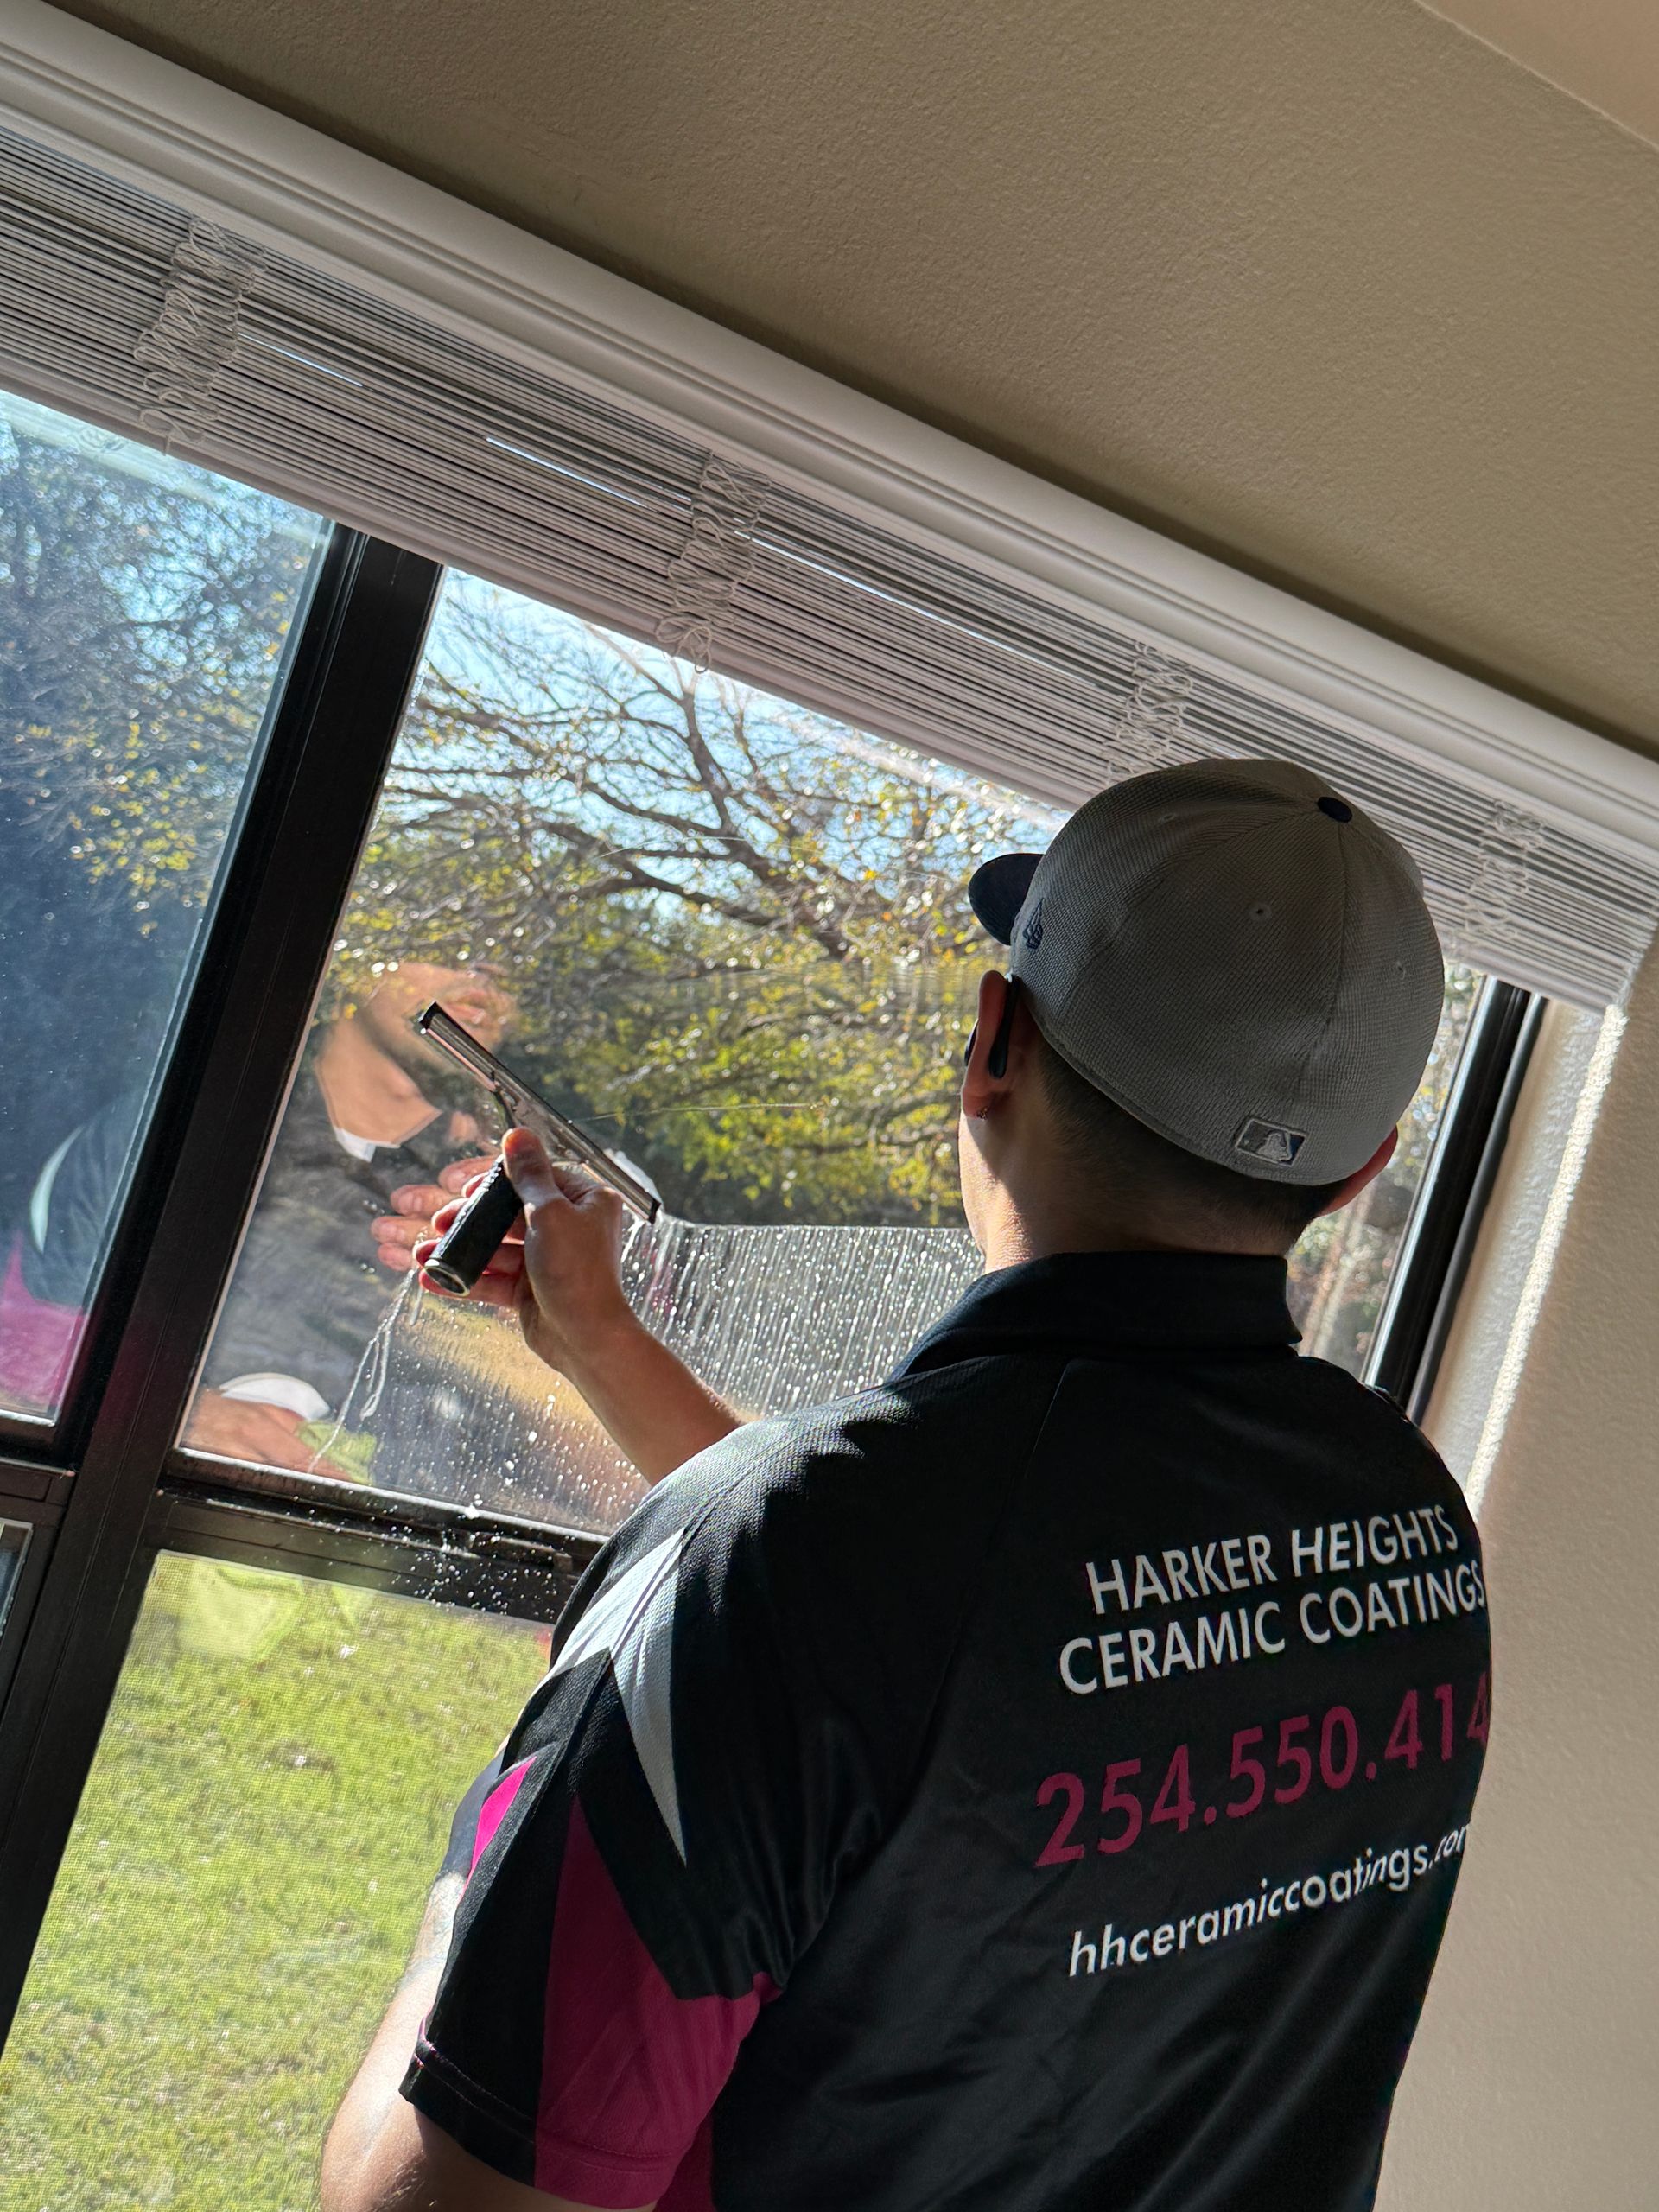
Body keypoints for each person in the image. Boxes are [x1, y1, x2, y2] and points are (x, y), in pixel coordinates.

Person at [324, 760, 1491, 2212]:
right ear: (1362, 1169)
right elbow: (928, 1646)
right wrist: (607, 1345)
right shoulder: (1408, 1518)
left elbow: (439, 2201)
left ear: (993, 1039)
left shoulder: (811, 1552)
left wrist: (473, 1887)